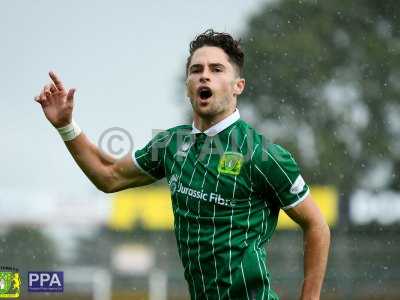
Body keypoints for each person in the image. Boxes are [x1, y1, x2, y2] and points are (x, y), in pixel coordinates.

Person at [35, 29, 330, 300]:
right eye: (196, 70)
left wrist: (310, 298)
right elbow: (108, 176)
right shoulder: (171, 145)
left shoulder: (264, 155)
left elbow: (316, 225)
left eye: (216, 69)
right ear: (188, 85)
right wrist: (66, 126)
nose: (204, 76)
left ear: (238, 85)